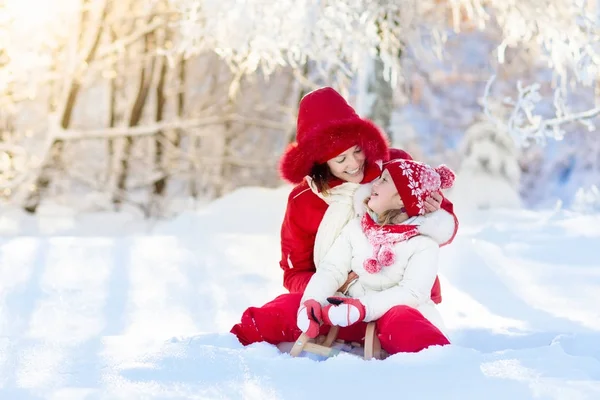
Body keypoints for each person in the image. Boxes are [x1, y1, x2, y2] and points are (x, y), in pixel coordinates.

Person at [230, 87, 458, 347]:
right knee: (280, 310)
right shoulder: (303, 201)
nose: (354, 163)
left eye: (357, 150)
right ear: (320, 162)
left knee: (406, 324)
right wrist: (331, 289)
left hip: (397, 298)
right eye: (341, 158)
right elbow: (294, 273)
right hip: (336, 305)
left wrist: (435, 210)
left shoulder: (394, 169)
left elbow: (442, 227)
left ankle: (443, 365)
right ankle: (231, 348)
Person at [297, 159, 455, 354]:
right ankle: (251, 336)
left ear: (402, 199)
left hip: (390, 319)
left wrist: (363, 308)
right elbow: (331, 269)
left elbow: (412, 293)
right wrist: (312, 300)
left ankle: (443, 363)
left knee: (403, 319)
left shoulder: (423, 244)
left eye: (385, 180)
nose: (375, 184)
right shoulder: (356, 228)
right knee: (289, 304)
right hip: (349, 317)